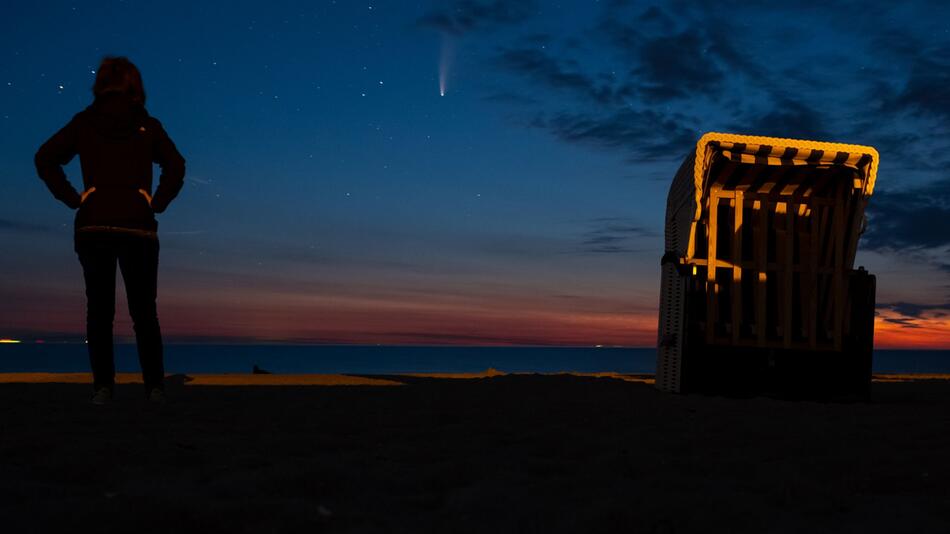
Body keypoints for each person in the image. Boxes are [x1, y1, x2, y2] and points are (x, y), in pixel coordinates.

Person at [35, 56, 185, 404]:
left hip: (95, 226)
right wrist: (155, 202)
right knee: (144, 311)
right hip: (138, 228)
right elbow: (176, 167)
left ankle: (103, 387)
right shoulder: (148, 125)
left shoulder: (84, 123)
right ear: (135, 86)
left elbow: (45, 158)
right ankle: (155, 387)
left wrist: (75, 199)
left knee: (99, 311)